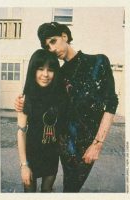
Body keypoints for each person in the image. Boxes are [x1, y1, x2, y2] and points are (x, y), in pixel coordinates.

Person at [15, 22, 118, 192]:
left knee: (71, 189)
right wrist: (20, 102)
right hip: (60, 146)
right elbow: (38, 95)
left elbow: (111, 102)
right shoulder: (58, 75)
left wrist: (97, 144)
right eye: (47, 46)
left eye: (53, 41)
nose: (52, 49)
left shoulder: (98, 62)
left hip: (86, 146)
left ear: (64, 36)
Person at [17, 49, 67, 192]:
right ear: (33, 70)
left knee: (47, 190)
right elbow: (21, 132)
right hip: (30, 155)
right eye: (40, 69)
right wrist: (24, 165)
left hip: (51, 155)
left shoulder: (60, 97)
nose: (45, 74)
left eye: (50, 70)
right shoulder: (26, 99)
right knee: (29, 192)